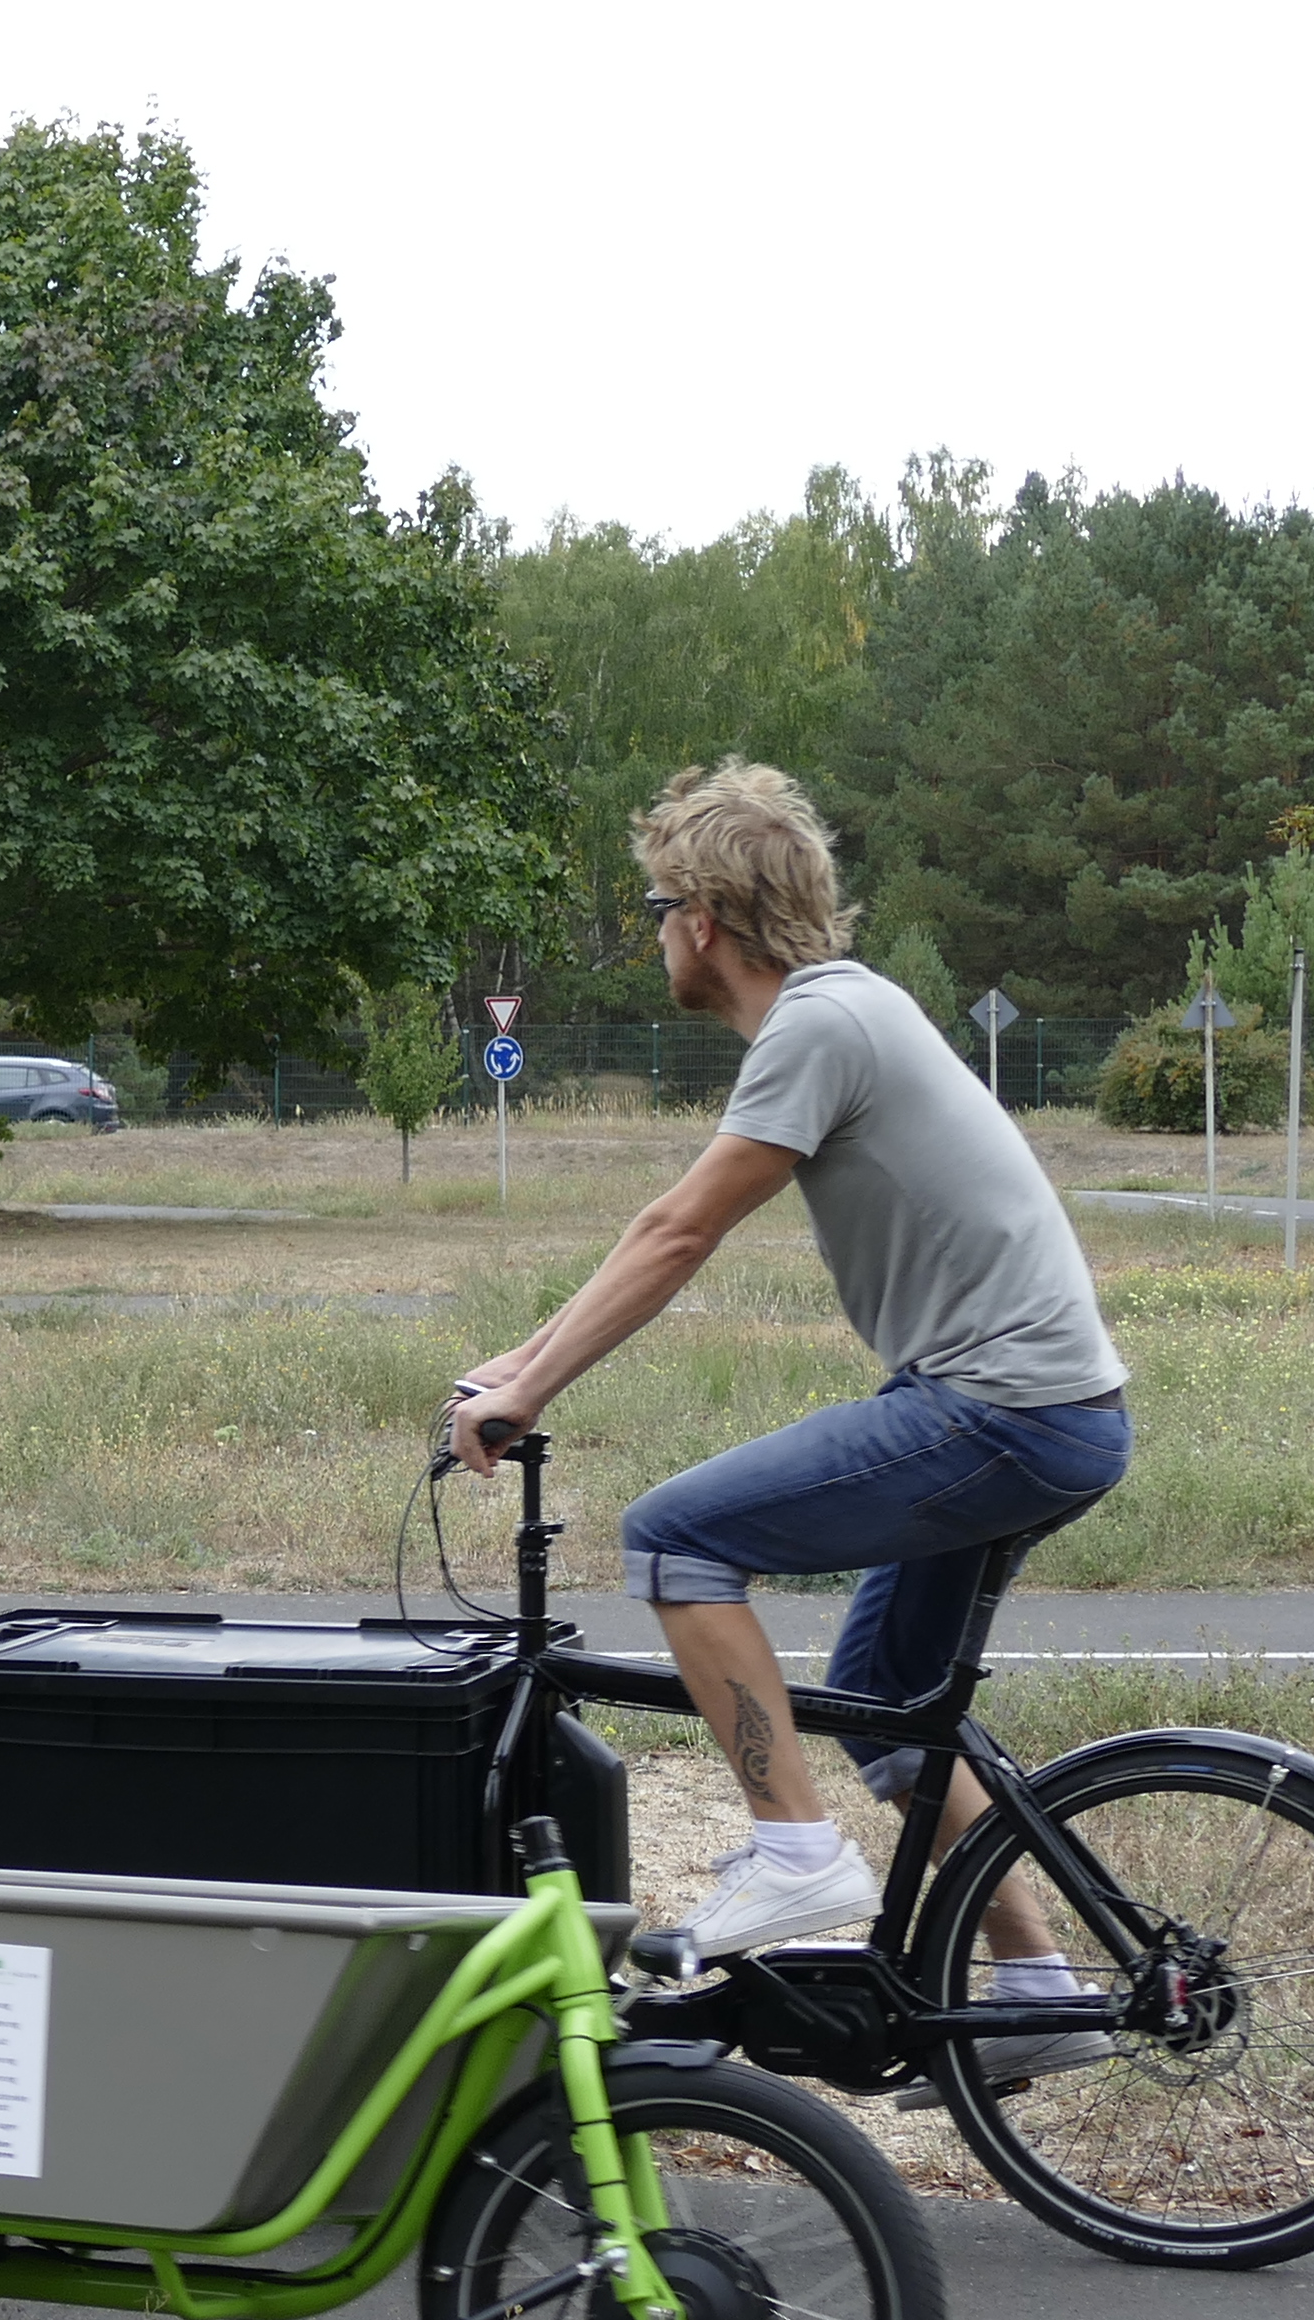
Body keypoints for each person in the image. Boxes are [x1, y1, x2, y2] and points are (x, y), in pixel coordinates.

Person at [443, 763, 1129, 2019]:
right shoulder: (848, 1010)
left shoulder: (818, 1026)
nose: (657, 937)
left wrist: (529, 1391)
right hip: (1042, 1412)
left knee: (675, 1536)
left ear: (701, 919)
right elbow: (667, 1232)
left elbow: (675, 1234)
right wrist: (518, 1363)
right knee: (883, 1703)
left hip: (1002, 1414)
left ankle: (796, 1855)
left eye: (656, 910)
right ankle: (1035, 1979)